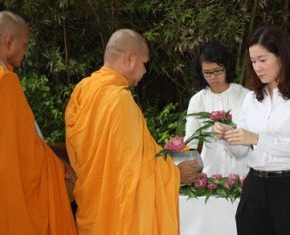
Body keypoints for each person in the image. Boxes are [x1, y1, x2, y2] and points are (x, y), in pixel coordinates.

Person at [65, 29, 201, 235]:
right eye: (144, 63)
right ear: (130, 59)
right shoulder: (118, 100)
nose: (145, 71)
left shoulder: (82, 90)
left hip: (94, 207)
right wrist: (175, 174)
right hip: (117, 213)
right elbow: (135, 169)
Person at [214, 25, 290, 235]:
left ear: (281, 57)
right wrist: (229, 137)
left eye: (262, 60)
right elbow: (242, 151)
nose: (257, 67)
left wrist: (257, 138)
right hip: (254, 186)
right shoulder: (251, 99)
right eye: (253, 61)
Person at [0, 11, 77, 234]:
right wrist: (59, 167)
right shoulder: (6, 82)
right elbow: (25, 149)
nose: (25, 51)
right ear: (9, 42)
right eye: (24, 45)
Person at [185, 42, 249, 176]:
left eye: (218, 71)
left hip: (242, 173)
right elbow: (191, 141)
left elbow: (251, 137)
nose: (213, 77)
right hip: (210, 176)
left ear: (227, 68)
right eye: (207, 73)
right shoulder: (198, 100)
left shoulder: (245, 96)